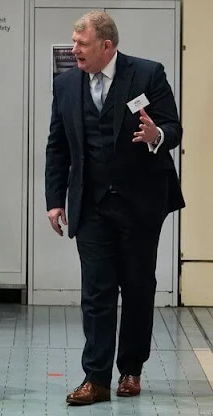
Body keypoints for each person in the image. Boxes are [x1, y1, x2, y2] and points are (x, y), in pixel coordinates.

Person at [45, 11, 184, 405]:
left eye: (81, 44)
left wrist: (157, 135)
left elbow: (173, 127)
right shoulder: (66, 84)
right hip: (90, 204)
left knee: (138, 289)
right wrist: (55, 200)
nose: (74, 51)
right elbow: (58, 146)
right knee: (96, 291)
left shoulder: (147, 74)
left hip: (140, 203)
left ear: (107, 46)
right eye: (73, 42)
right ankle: (96, 378)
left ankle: (131, 370)